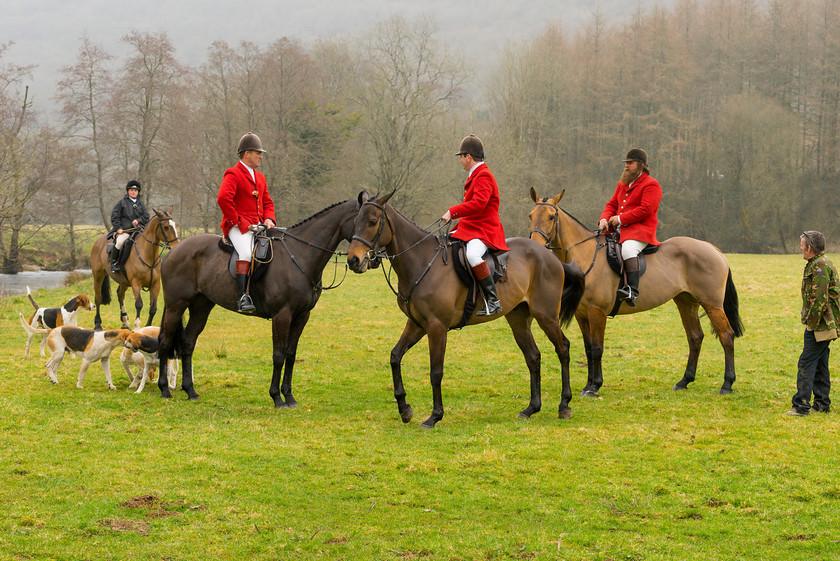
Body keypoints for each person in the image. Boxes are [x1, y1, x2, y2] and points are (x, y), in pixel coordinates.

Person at [442, 134, 509, 316]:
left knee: (472, 254)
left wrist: (452, 211)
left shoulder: (484, 176)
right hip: (472, 227)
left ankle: (493, 300)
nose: (461, 161)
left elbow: (478, 204)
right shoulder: (476, 175)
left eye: (461, 157)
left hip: (485, 230)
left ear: (468, 157)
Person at [217, 132, 277, 313]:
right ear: (246, 154)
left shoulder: (260, 178)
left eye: (261, 153)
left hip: (259, 226)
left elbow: (268, 202)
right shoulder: (233, 174)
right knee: (246, 254)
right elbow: (223, 199)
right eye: (257, 153)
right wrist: (239, 222)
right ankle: (243, 297)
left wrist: (268, 218)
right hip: (237, 227)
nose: (261, 156)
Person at [598, 147, 662, 306]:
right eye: (626, 163)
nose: (626, 166)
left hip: (641, 230)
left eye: (630, 163)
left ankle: (632, 291)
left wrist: (620, 219)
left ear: (641, 164)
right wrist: (604, 219)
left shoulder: (651, 184)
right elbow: (612, 204)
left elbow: (646, 209)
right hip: (619, 230)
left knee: (628, 249)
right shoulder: (623, 184)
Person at [786, 231, 839, 416]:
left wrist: (812, 323)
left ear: (809, 247)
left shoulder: (820, 266)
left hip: (821, 325)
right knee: (821, 363)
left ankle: (800, 406)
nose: (800, 248)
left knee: (806, 362)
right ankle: (822, 403)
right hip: (824, 324)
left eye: (802, 245)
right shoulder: (817, 264)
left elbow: (819, 299)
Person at [109, 180, 150, 274]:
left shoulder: (141, 204)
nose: (133, 192)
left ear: (138, 192)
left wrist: (138, 220)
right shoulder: (121, 203)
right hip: (125, 231)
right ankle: (114, 263)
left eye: (135, 190)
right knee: (119, 242)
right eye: (131, 190)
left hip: (139, 231)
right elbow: (115, 216)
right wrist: (118, 228)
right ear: (128, 191)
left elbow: (146, 217)